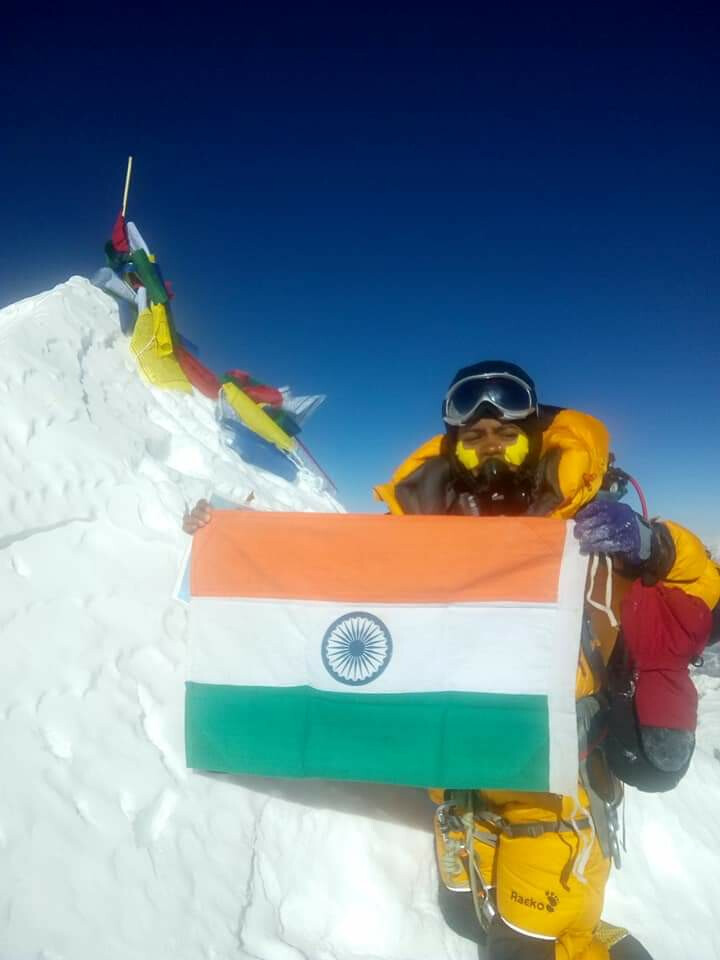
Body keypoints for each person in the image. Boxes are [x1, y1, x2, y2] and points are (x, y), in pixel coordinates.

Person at [373, 361, 720, 960]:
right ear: (454, 446)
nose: (490, 449)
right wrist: (223, 541)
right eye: (475, 436)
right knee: (465, 915)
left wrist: (652, 545)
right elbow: (338, 584)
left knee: (530, 944)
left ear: (534, 435)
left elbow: (700, 601)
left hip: (552, 782)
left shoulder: (590, 522)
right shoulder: (415, 528)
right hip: (457, 778)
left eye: (505, 433)